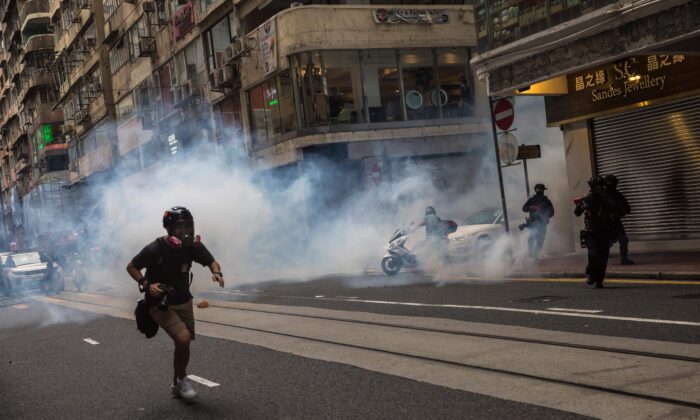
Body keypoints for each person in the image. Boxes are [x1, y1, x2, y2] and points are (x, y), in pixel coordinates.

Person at [126, 206, 225, 400]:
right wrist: (146, 284)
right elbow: (132, 267)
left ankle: (176, 383)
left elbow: (212, 261)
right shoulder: (155, 249)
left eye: (189, 226)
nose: (186, 232)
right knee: (183, 339)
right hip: (160, 304)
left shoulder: (192, 247)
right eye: (181, 228)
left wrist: (217, 272)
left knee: (184, 345)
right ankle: (182, 379)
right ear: (169, 230)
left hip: (184, 301)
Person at [575, 176, 620, 288]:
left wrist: (612, 216)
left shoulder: (608, 199)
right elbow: (577, 212)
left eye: (599, 186)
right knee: (593, 255)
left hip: (605, 232)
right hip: (592, 232)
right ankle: (590, 274)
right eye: (595, 186)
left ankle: (599, 280)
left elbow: (617, 211)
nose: (597, 189)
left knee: (603, 258)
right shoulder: (587, 198)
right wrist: (582, 205)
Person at [604, 174, 634, 265]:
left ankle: (624, 258)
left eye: (614, 183)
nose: (613, 186)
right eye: (611, 184)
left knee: (623, 239)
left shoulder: (617, 195)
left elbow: (627, 207)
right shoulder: (601, 195)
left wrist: (619, 213)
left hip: (615, 222)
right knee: (604, 241)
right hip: (604, 223)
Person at [521, 184, 555, 260]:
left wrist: (543, 215)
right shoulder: (543, 201)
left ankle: (533, 255)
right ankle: (532, 254)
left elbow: (551, 212)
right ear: (543, 190)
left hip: (540, 223)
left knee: (535, 239)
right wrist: (532, 207)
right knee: (537, 239)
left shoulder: (543, 201)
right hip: (534, 223)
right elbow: (524, 208)